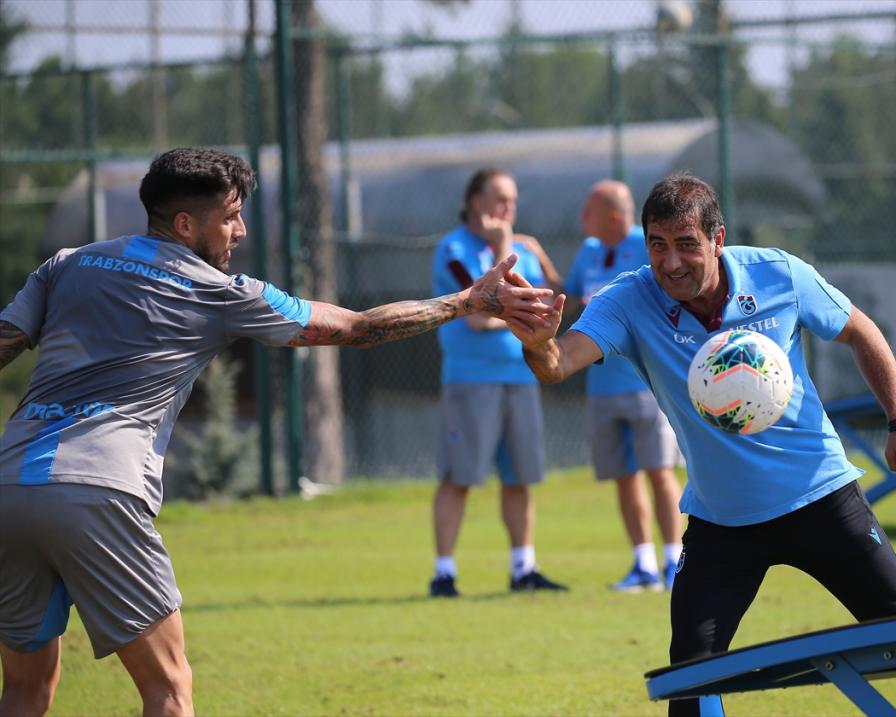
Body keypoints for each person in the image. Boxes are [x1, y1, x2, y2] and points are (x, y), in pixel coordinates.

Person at [0, 147, 555, 717]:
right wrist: (468, 300)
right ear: (186, 224)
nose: (240, 230)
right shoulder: (216, 289)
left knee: (24, 689)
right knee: (168, 690)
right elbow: (356, 328)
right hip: (99, 489)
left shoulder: (67, 263)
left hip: (9, 485)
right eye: (230, 217)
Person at [507, 173, 896, 716]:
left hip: (821, 498)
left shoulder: (778, 273)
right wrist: (537, 344)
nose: (671, 262)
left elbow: (859, 330)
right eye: (657, 245)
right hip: (722, 523)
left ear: (717, 239)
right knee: (692, 670)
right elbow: (559, 365)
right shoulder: (630, 299)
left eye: (686, 245)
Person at [429, 167, 568, 598]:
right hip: (472, 380)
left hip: (519, 376)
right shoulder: (453, 249)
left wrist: (531, 255)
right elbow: (477, 316)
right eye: (499, 198)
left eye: (512, 199)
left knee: (520, 477)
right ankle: (444, 574)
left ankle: (523, 569)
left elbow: (544, 311)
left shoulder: (523, 252)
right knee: (460, 477)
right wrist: (505, 249)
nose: (508, 208)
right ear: (475, 202)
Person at [564, 180, 683, 592]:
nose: (582, 220)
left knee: (660, 471)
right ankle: (643, 565)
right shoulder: (590, 251)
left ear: (614, 216)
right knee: (624, 476)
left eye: (589, 211)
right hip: (601, 387)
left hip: (647, 385)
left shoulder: (647, 246)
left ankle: (675, 561)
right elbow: (569, 292)